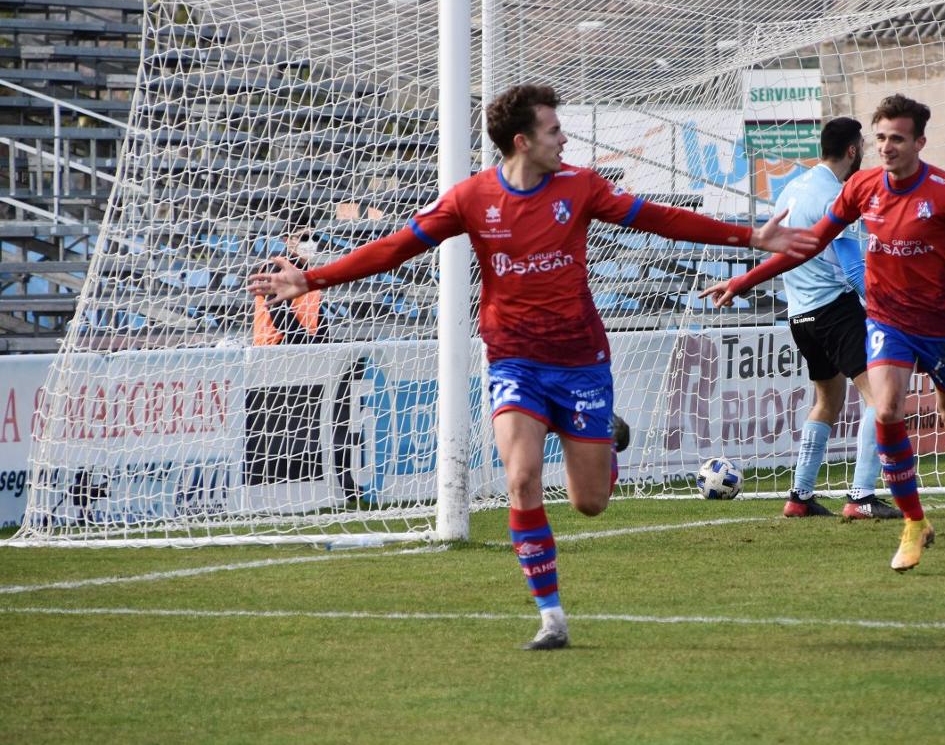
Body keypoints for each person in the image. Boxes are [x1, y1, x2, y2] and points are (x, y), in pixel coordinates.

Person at [248, 83, 817, 649]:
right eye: (553, 130)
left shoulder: (581, 186)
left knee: (589, 503)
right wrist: (313, 277)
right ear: (522, 142)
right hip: (513, 358)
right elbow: (398, 246)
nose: (564, 138)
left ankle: (605, 440)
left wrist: (748, 236)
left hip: (580, 361)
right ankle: (551, 618)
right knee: (520, 478)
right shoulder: (472, 197)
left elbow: (658, 219)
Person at [702, 93, 945, 573]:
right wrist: (742, 280)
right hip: (888, 324)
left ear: (919, 141)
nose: (887, 147)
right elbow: (810, 245)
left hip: (944, 328)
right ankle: (912, 522)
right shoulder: (860, 189)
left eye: (897, 138)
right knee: (887, 409)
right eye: (880, 139)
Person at [716, 117, 898, 521]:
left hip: (800, 315)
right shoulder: (838, 195)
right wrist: (886, 310)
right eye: (864, 147)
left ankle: (799, 496)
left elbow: (784, 255)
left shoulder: (790, 190)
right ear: (853, 150)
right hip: (835, 308)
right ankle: (862, 495)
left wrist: (745, 281)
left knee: (826, 401)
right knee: (879, 399)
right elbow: (853, 271)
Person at [253, 225, 325, 346]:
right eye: (304, 238)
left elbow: (319, 316)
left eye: (315, 237)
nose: (311, 243)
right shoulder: (275, 268)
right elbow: (279, 314)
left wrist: (324, 345)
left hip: (303, 344)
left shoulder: (310, 273)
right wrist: (311, 344)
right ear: (287, 240)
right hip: (274, 346)